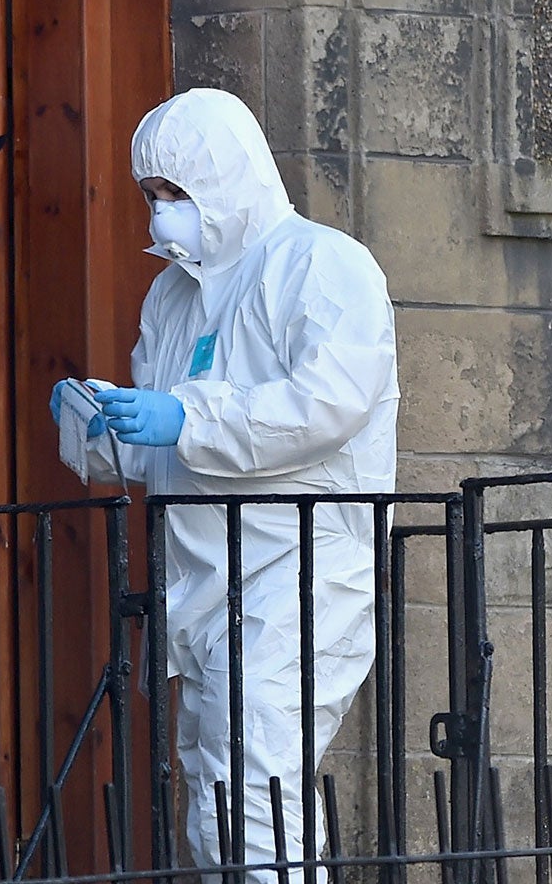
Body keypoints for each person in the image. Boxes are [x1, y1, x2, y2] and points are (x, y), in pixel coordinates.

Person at [51, 88, 399, 878]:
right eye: (153, 195)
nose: (163, 211)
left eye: (178, 191)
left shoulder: (322, 264)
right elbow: (156, 446)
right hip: (203, 581)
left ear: (230, 175)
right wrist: (97, 426)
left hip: (303, 566)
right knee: (215, 797)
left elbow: (327, 404)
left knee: (256, 782)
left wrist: (187, 417)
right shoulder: (174, 293)